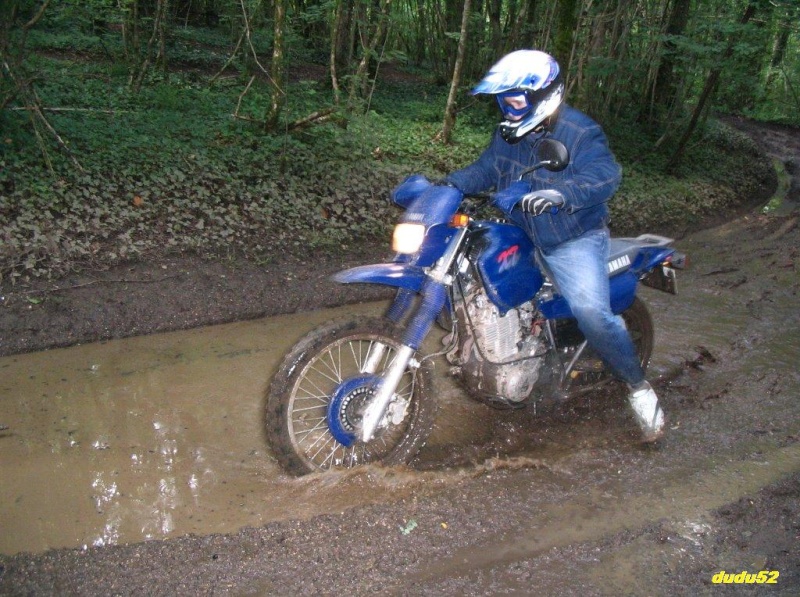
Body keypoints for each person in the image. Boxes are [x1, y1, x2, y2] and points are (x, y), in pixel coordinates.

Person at [444, 49, 665, 442]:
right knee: (465, 276)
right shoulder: (507, 133)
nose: (510, 106)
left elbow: (604, 176)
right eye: (504, 98)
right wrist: (445, 186)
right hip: (524, 231)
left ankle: (638, 388)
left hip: (572, 237)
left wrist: (557, 193)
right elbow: (485, 170)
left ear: (543, 94)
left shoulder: (579, 131)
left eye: (517, 98)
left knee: (590, 310)